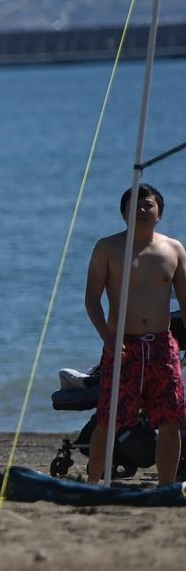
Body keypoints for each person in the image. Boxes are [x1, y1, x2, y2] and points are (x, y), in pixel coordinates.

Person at [83, 184, 186, 485]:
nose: (141, 211)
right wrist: (106, 336)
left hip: (161, 346)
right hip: (122, 345)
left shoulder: (174, 249)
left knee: (170, 421)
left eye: (148, 205)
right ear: (124, 213)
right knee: (109, 420)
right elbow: (92, 298)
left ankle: (165, 488)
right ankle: (94, 484)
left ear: (160, 213)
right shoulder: (108, 247)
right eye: (134, 206)